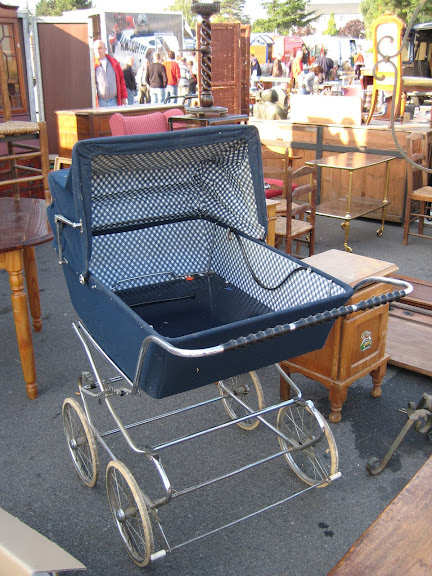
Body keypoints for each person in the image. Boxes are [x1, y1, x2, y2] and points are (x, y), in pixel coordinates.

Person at [93, 39, 127, 107]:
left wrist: (123, 96)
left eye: (100, 48)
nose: (97, 51)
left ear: (105, 49)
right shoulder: (92, 65)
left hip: (114, 101)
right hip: (100, 102)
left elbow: (121, 80)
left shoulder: (114, 63)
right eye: (95, 48)